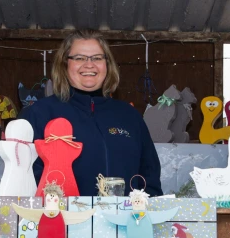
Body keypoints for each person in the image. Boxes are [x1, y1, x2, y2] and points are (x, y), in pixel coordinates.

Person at [22, 30, 162, 197]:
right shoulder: (41, 112)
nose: (89, 65)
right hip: (61, 212)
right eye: (79, 58)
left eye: (97, 58)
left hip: (126, 213)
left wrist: (151, 209)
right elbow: (26, 175)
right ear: (64, 64)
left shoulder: (129, 116)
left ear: (107, 65)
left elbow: (149, 175)